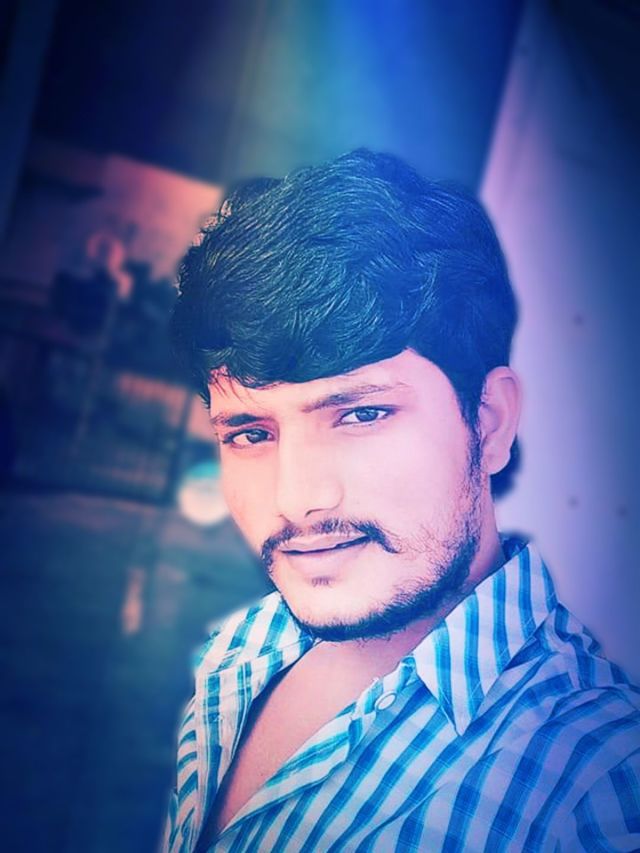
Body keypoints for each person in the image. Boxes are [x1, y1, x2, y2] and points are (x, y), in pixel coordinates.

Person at [163, 150, 639, 852]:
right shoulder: (239, 651)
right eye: (251, 432)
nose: (296, 499)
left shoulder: (598, 783)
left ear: (489, 422)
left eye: (361, 415)